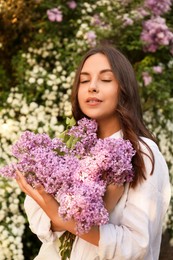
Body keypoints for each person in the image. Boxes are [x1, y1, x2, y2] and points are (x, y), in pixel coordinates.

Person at [16, 45, 171, 260]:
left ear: (124, 89)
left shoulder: (142, 153)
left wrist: (61, 217)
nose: (93, 87)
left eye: (106, 80)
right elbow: (39, 223)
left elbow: (137, 246)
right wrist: (95, 208)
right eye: (84, 80)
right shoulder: (67, 147)